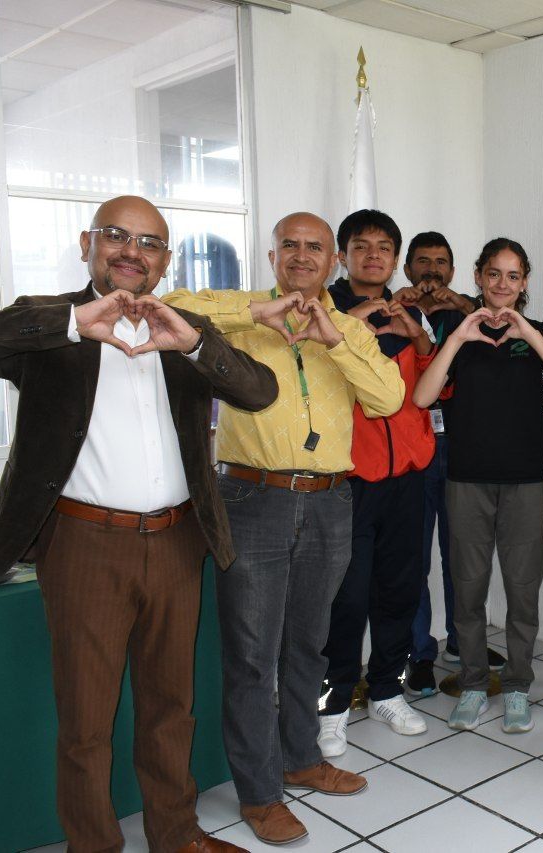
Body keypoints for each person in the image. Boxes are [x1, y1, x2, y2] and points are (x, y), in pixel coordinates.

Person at [0, 195, 277, 853]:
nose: (131, 251)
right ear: (88, 243)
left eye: (149, 242)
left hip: (177, 542)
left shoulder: (186, 327)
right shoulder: (52, 323)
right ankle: (93, 845)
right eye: (116, 235)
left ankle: (175, 834)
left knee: (171, 708)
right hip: (84, 546)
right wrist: (68, 323)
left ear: (165, 261)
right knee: (87, 721)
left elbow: (259, 391)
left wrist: (196, 344)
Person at [163, 213, 404, 846]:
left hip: (330, 501)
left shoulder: (350, 329)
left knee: (308, 645)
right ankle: (259, 791)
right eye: (289, 245)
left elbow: (387, 398)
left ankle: (300, 757)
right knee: (252, 655)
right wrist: (257, 311)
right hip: (253, 498)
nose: (301, 256)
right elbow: (172, 307)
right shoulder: (242, 318)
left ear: (333, 261)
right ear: (271, 256)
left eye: (314, 247)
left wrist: (334, 340)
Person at [412, 238, 543, 734]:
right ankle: (473, 683)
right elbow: (423, 397)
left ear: (524, 281)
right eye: (494, 274)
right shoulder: (456, 331)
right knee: (468, 590)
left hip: (524, 483)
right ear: (479, 276)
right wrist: (457, 336)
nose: (503, 284)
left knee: (522, 591)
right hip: (466, 480)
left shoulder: (539, 334)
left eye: (513, 276)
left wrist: (529, 333)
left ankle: (516, 686)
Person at [317, 210, 437, 750]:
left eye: (384, 247)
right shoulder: (323, 311)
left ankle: (387, 688)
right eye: (361, 246)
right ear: (342, 256)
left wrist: (420, 340)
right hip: (349, 479)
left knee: (400, 588)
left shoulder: (409, 312)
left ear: (395, 258)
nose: (373, 255)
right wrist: (351, 322)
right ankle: (334, 700)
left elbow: (435, 389)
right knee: (346, 597)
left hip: (408, 474)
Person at [391, 232, 506, 697]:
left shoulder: (467, 314)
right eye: (423, 262)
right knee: (414, 556)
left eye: (441, 263)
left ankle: (463, 641)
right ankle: (419, 653)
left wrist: (460, 303)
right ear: (407, 269)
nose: (432, 271)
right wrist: (409, 308)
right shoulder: (395, 313)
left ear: (454, 272)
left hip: (461, 447)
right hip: (414, 448)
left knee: (462, 555)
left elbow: (501, 325)